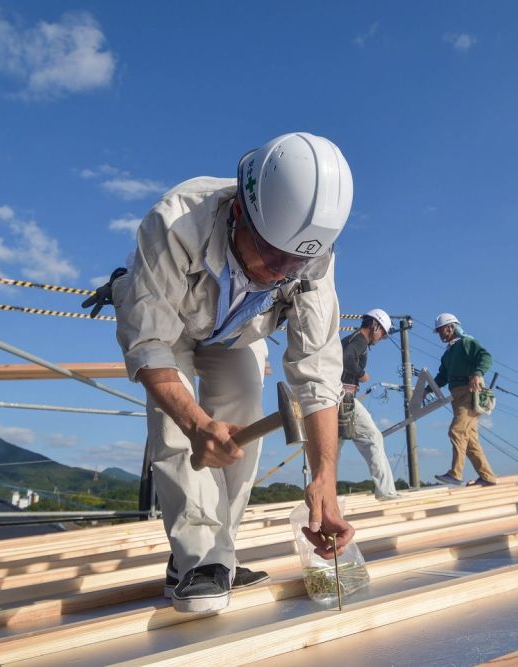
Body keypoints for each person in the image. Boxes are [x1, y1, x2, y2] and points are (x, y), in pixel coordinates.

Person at [111, 132, 356, 612]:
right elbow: (151, 344)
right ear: (240, 213)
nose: (279, 271)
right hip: (172, 324)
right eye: (271, 254)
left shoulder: (311, 262)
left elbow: (318, 372)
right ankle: (197, 560)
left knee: (245, 408)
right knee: (180, 428)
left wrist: (325, 478)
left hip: (235, 331)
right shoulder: (176, 221)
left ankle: (220, 552)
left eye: (295, 263)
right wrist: (197, 424)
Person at [339, 308, 400, 501]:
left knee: (332, 451)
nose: (381, 338)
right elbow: (346, 358)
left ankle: (324, 498)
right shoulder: (359, 341)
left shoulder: (353, 339)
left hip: (334, 397)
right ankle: (386, 492)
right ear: (374, 326)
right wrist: (360, 373)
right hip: (344, 397)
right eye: (382, 332)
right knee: (373, 438)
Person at [431, 313, 498, 488]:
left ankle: (455, 473)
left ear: (451, 328)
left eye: (441, 330)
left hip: (470, 392)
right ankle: (487, 477)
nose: (440, 334)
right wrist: (426, 390)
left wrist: (477, 373)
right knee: (469, 440)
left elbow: (485, 357)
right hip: (458, 397)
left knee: (457, 431)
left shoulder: (467, 343)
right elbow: (442, 376)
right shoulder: (448, 354)